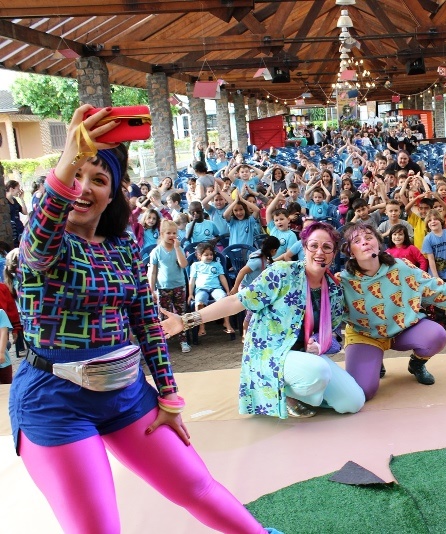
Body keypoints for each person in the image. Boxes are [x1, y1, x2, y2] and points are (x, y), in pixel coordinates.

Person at [9, 105, 277, 534]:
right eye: (76, 175)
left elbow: (147, 321)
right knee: (97, 528)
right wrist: (68, 160)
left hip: (127, 393)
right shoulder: (42, 244)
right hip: (53, 404)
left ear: (114, 192)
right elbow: (40, 243)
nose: (83, 187)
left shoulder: (122, 245)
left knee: (197, 485)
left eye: (98, 179)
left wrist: (169, 397)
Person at [162, 222, 365, 419]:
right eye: (313, 246)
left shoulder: (334, 289)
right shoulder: (283, 273)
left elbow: (333, 333)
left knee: (353, 402)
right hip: (271, 353)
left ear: (334, 253)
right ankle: (283, 393)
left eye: (327, 247)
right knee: (317, 372)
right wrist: (186, 320)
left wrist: (319, 343)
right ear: (304, 248)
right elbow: (236, 301)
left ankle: (305, 390)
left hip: (305, 355)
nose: (319, 252)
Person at [337, 223, 446, 400]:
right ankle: (374, 360)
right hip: (365, 336)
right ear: (349, 250)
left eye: (369, 237)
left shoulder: (402, 267)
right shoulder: (342, 281)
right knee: (364, 391)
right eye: (357, 240)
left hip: (403, 328)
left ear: (378, 243)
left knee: (436, 335)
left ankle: (417, 364)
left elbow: (436, 288)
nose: (365, 242)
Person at [149, 220, 191, 354]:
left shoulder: (178, 249)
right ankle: (163, 341)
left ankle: (183, 340)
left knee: (181, 314)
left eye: (174, 233)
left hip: (179, 286)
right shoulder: (156, 251)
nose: (172, 235)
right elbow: (153, 272)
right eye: (168, 233)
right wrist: (152, 289)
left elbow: (183, 264)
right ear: (162, 234)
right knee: (163, 314)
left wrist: (178, 248)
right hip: (163, 288)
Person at [229, 235, 281, 341]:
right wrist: (235, 288)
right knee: (251, 313)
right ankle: (245, 334)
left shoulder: (263, 256)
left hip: (257, 288)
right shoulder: (257, 261)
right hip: (247, 287)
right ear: (273, 250)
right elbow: (242, 271)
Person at [188, 242, 235, 336]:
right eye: (206, 255)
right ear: (199, 256)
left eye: (211, 254)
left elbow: (222, 277)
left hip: (215, 288)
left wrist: (227, 290)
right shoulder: (196, 265)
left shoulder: (216, 264)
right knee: (199, 302)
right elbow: (192, 280)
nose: (209, 257)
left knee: (223, 299)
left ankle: (226, 322)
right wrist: (190, 293)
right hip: (201, 289)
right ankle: (201, 326)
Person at [5, 179, 28, 247]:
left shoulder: (14, 200)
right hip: (12, 230)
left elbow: (25, 212)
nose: (19, 191)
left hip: (20, 228)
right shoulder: (5, 202)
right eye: (18, 188)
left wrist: (22, 199)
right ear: (12, 189)